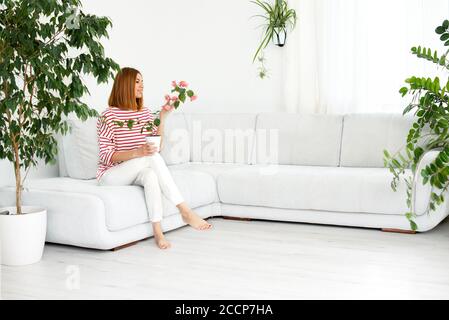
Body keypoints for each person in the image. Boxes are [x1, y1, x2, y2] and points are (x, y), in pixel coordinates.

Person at [97, 67, 212, 249]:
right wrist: (138, 152)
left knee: (151, 175)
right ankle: (185, 211)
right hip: (111, 175)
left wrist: (163, 117)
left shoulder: (144, 113)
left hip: (137, 170)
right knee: (151, 158)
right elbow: (105, 155)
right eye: (137, 82)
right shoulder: (108, 116)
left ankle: (158, 233)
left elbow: (157, 147)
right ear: (124, 84)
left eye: (142, 82)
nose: (141, 86)